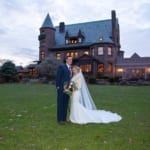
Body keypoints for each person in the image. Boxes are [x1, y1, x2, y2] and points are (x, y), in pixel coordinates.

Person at [56, 56, 72, 124]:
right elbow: (58, 76)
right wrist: (58, 86)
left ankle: (64, 118)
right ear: (66, 60)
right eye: (69, 59)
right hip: (62, 87)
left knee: (66, 103)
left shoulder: (70, 68)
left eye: (71, 59)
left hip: (68, 87)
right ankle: (60, 119)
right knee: (61, 103)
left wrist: (71, 88)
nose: (71, 60)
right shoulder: (62, 66)